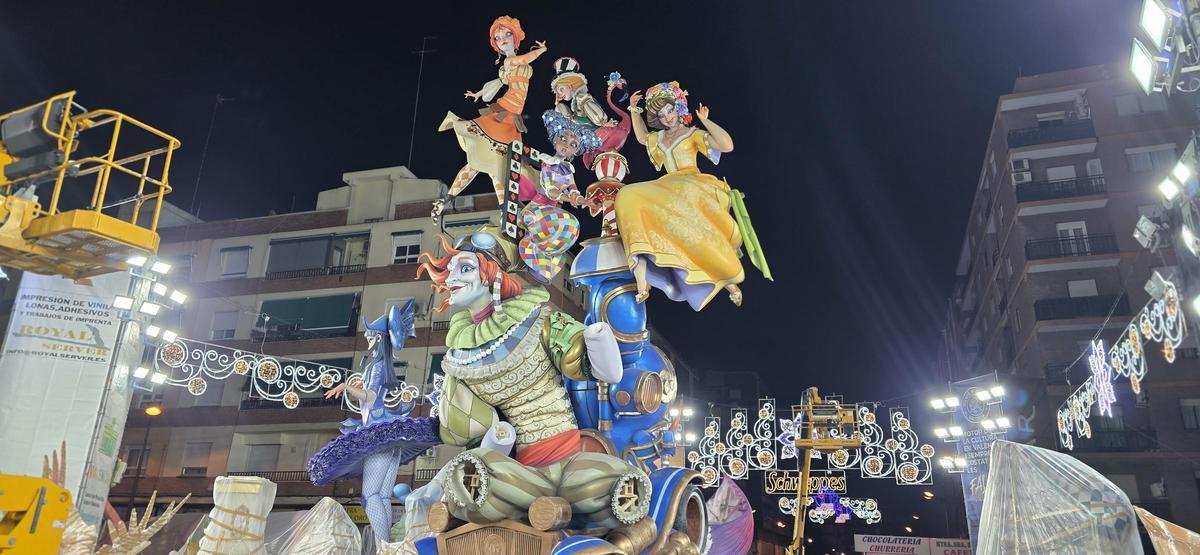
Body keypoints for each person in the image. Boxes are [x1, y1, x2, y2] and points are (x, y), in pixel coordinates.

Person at [414, 228, 652, 529]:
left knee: (616, 486)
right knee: (477, 475)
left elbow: (608, 373)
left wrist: (598, 337)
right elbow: (473, 435)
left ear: (493, 275)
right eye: (449, 270)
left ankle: (558, 504)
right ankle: (531, 505)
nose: (451, 278)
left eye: (464, 269)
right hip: (521, 472)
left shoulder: (539, 320)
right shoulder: (459, 357)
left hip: (572, 459)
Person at [615, 81, 771, 310]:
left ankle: (729, 281)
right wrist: (633, 110)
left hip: (690, 184)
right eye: (661, 115)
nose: (667, 117)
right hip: (669, 187)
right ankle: (641, 279)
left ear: (678, 108)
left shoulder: (692, 134)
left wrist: (706, 121)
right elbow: (642, 137)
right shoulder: (659, 138)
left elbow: (726, 145)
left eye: (669, 110)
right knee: (627, 195)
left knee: (698, 232)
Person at [306, 301, 439, 548]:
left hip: (378, 438)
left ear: (378, 338)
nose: (367, 339)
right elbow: (369, 396)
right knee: (383, 496)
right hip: (388, 439)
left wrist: (347, 387)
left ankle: (383, 547)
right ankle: (386, 547)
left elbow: (371, 396)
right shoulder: (379, 366)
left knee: (371, 496)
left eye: (370, 335)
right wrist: (356, 388)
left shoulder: (377, 366)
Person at [435, 16, 548, 222]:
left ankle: (502, 211)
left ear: (515, 37)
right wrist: (541, 50)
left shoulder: (507, 66)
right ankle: (449, 199)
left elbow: (497, 82)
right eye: (498, 37)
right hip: (505, 112)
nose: (502, 39)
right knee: (483, 159)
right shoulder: (509, 61)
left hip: (512, 118)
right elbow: (525, 59)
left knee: (497, 164)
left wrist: (478, 94)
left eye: (506, 34)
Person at [516, 110, 600, 283]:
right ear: (555, 139)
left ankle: (542, 268)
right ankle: (531, 247)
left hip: (550, 216)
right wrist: (570, 199)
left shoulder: (568, 170)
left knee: (572, 230)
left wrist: (584, 200)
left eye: (573, 144)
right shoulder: (547, 162)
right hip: (535, 211)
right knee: (568, 223)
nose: (566, 145)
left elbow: (574, 190)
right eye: (563, 138)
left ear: (575, 151)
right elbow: (551, 191)